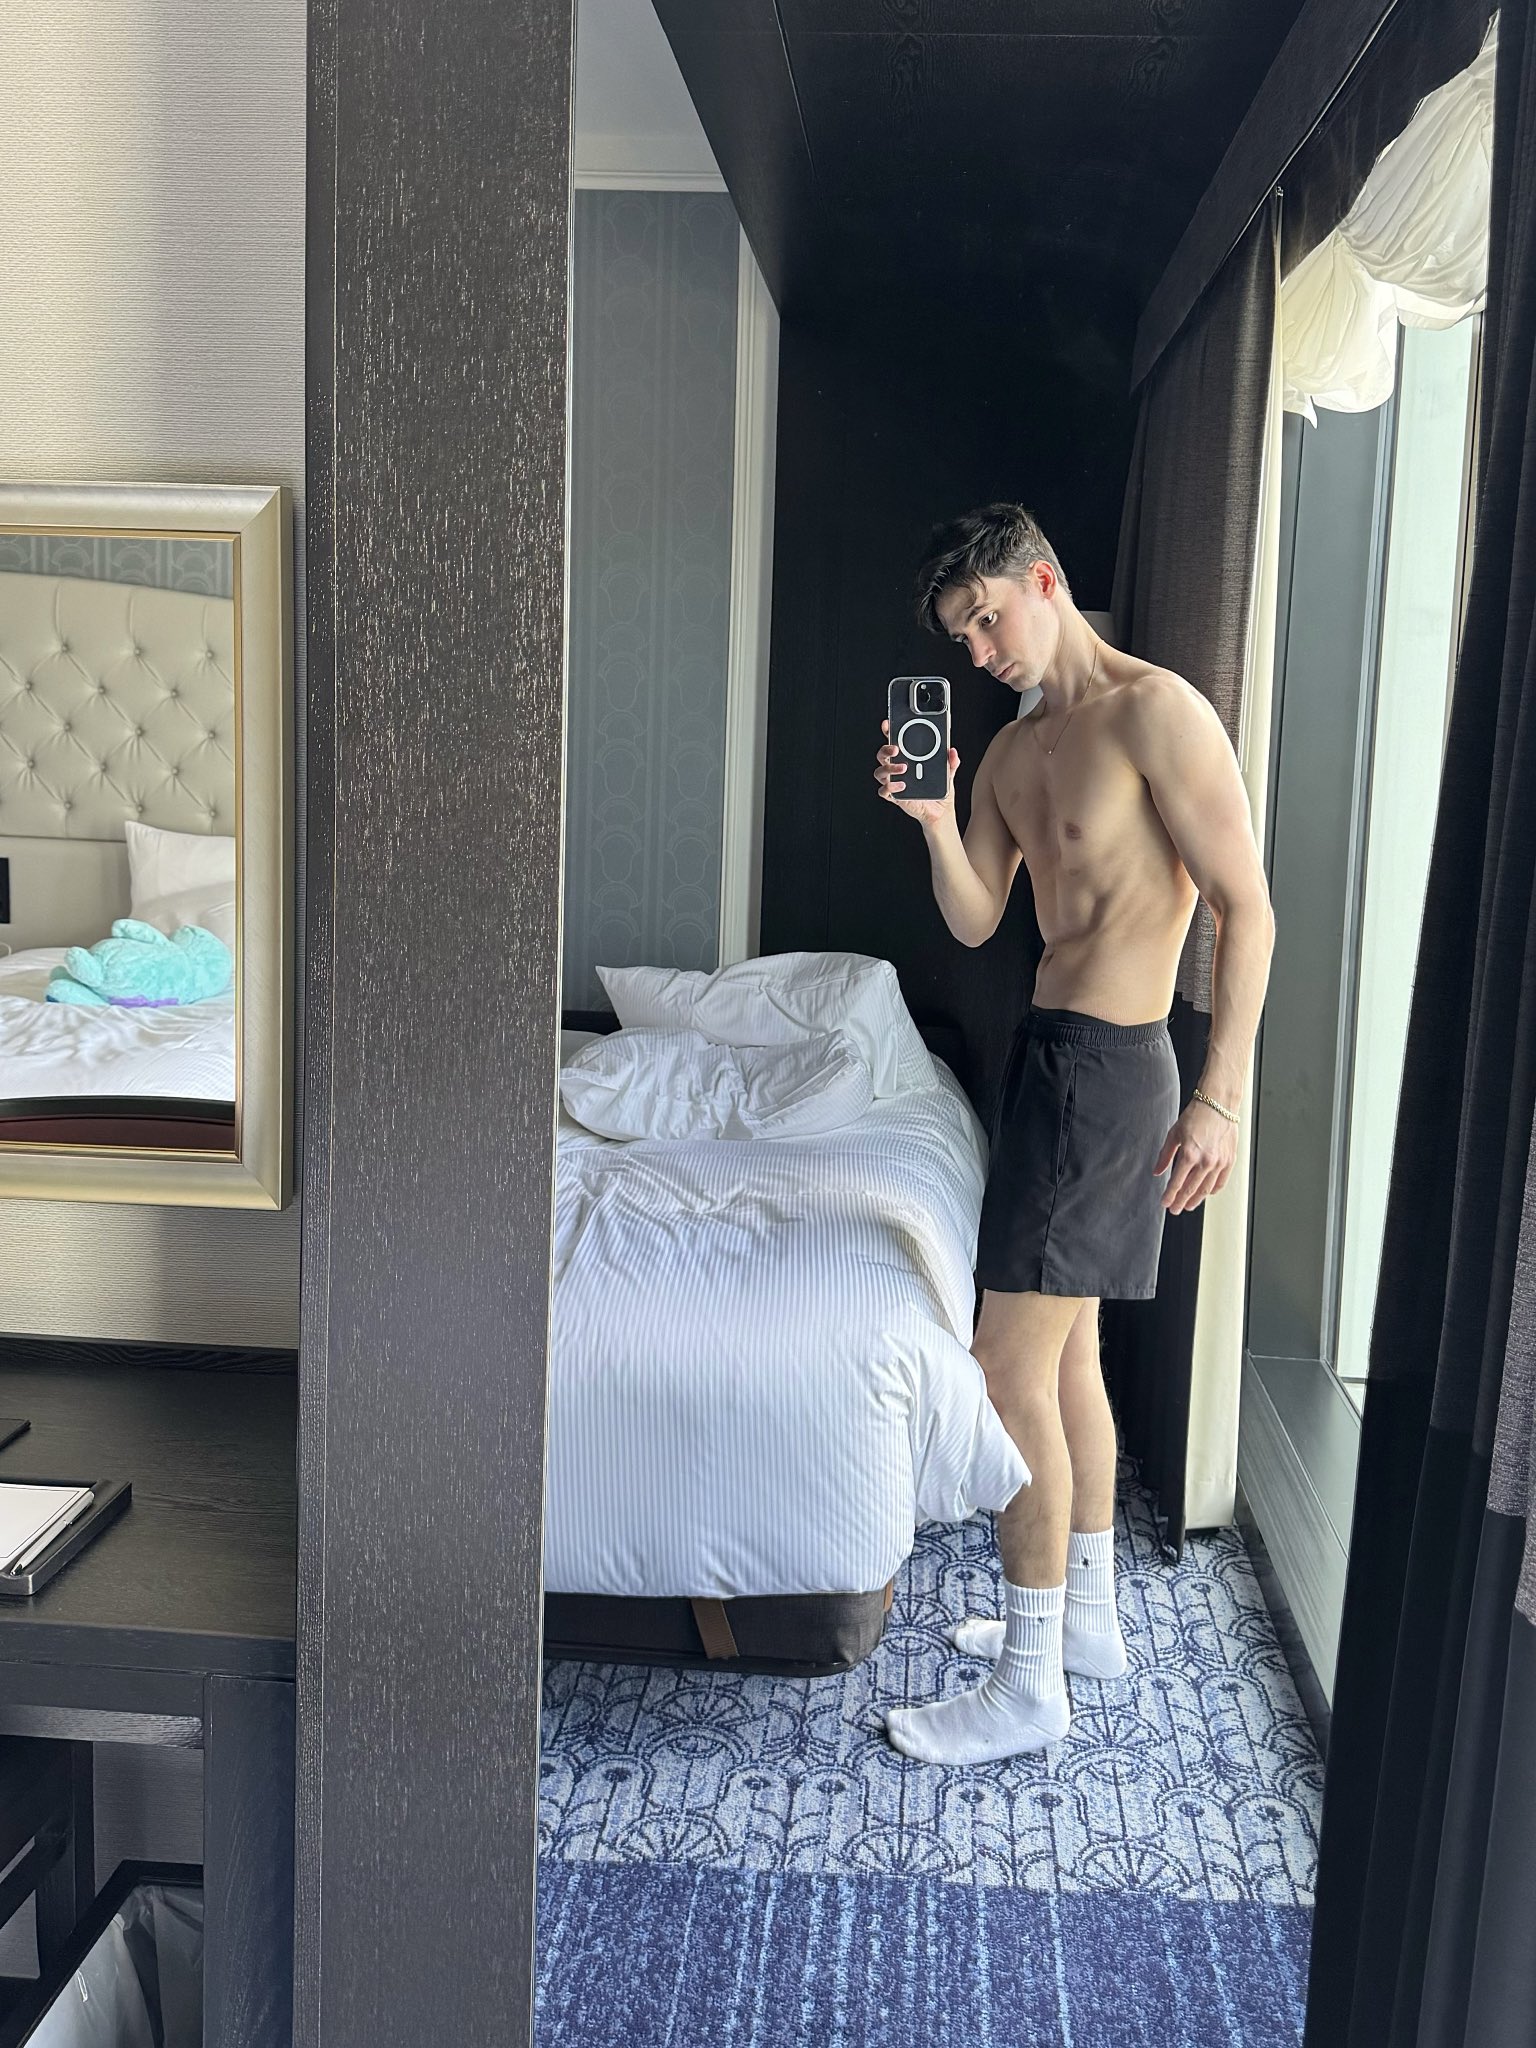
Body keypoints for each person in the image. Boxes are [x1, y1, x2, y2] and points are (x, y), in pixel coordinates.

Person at [874, 503, 1275, 1765]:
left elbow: (1248, 906)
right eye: (962, 636)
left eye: (988, 617)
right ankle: (1084, 1621)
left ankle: (1027, 1684)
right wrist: (936, 817)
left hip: (1118, 1068)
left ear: (1043, 581)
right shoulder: (1006, 754)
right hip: (1047, 1058)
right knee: (1068, 1357)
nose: (980, 650)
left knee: (1005, 1365)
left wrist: (1221, 1095)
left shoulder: (1159, 713)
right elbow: (979, 918)